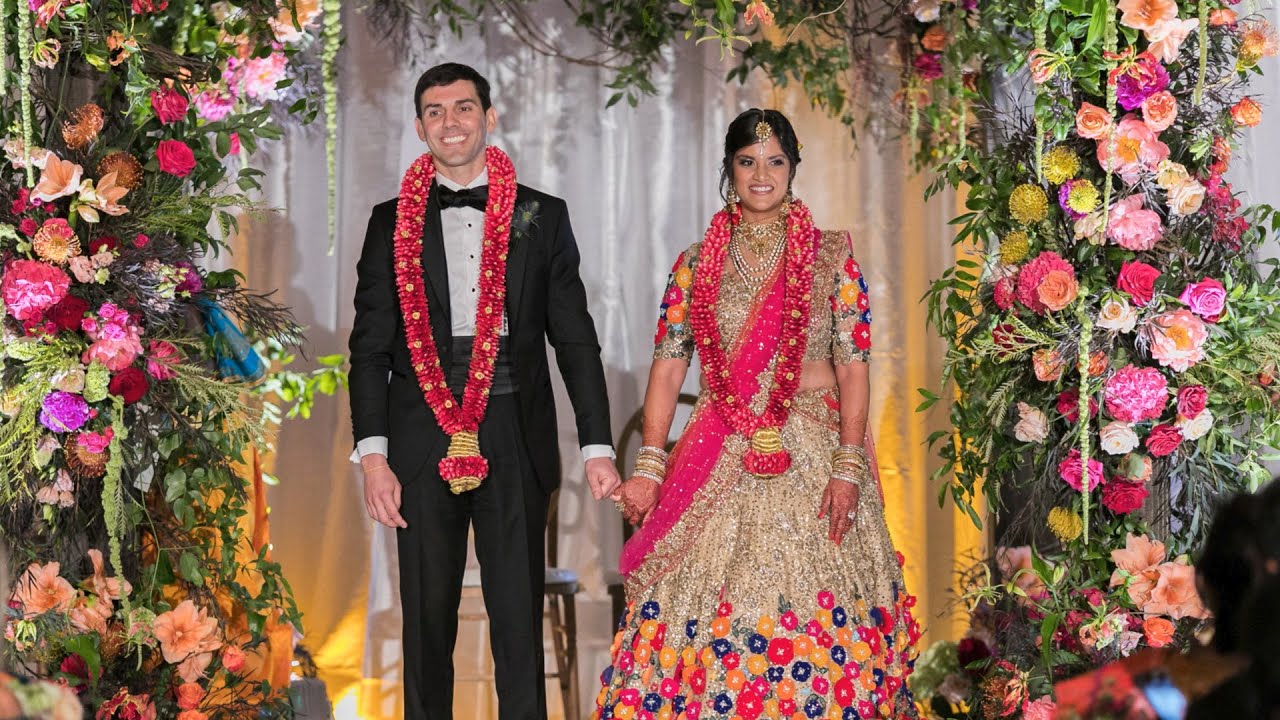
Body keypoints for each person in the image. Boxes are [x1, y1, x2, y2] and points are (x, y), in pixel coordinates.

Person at [593, 109, 921, 719]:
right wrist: (649, 466)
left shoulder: (832, 257)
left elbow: (854, 366)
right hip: (721, 448)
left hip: (816, 451)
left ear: (793, 168)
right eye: (747, 162)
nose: (761, 174)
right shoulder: (695, 263)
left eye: (775, 162)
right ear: (729, 169)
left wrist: (849, 465)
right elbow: (668, 367)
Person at [347, 62, 621, 720]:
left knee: (517, 623)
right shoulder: (390, 223)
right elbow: (370, 348)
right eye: (436, 112)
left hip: (512, 430)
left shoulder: (540, 215)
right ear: (419, 128)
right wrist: (374, 456)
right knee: (427, 623)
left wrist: (598, 445)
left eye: (464, 108)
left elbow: (576, 339)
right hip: (419, 438)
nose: (451, 122)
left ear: (489, 117)